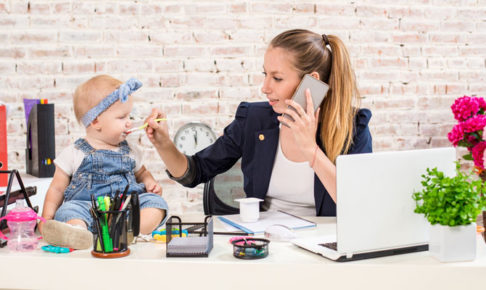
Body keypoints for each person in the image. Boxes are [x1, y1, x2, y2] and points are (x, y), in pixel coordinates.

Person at [145, 29, 372, 217]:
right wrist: (163, 144)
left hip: (324, 244)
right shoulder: (253, 119)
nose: (265, 87)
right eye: (265, 74)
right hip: (264, 243)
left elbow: (359, 204)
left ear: (310, 82)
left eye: (277, 78)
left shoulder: (353, 128)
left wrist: (311, 150)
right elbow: (195, 173)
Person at [40, 75, 168, 249]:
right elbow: (57, 188)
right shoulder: (74, 152)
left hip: (125, 211)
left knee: (155, 203)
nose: (129, 123)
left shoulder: (130, 150)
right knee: (68, 211)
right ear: (95, 121)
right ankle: (78, 232)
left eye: (129, 116)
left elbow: (142, 172)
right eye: (122, 117)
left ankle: (128, 231)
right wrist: (46, 217)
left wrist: (149, 181)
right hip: (88, 210)